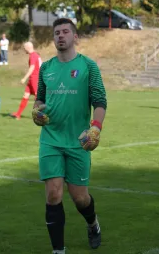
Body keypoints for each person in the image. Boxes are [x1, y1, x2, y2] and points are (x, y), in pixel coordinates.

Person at [32, 18, 107, 253]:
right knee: (53, 194)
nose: (60, 36)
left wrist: (95, 127)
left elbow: (100, 101)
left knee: (79, 197)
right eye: (56, 32)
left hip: (78, 141)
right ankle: (58, 250)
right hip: (50, 140)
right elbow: (40, 100)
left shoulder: (88, 67)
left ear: (75, 37)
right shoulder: (46, 68)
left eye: (65, 32)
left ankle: (92, 223)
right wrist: (36, 111)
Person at [10, 42, 42, 120]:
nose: (24, 49)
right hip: (32, 79)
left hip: (35, 79)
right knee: (25, 96)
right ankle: (18, 114)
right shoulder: (35, 55)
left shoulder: (33, 56)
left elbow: (32, 68)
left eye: (24, 48)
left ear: (28, 47)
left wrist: (24, 78)